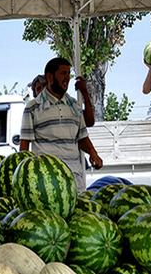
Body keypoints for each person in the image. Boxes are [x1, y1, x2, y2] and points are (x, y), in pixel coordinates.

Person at [19, 57, 103, 191]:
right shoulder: (33, 107)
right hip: (45, 180)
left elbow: (82, 137)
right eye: (63, 73)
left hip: (74, 177)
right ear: (50, 77)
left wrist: (93, 154)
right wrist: (22, 176)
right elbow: (24, 145)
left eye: (69, 73)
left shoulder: (74, 106)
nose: (67, 78)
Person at [29, 72, 95, 127]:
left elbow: (89, 121)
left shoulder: (69, 105)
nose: (42, 90)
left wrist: (84, 92)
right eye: (38, 88)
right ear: (35, 94)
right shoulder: (33, 111)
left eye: (45, 86)